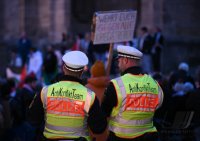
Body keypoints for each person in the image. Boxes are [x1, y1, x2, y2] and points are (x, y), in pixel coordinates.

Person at [28, 51, 108, 141]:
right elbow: (99, 128)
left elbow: (33, 119)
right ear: (81, 72)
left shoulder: (45, 91)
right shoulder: (89, 96)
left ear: (63, 68)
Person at [101, 45, 164, 141]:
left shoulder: (116, 84)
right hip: (148, 137)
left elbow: (104, 112)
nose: (118, 65)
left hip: (120, 137)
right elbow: (158, 106)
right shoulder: (154, 83)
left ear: (125, 60)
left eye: (119, 61)